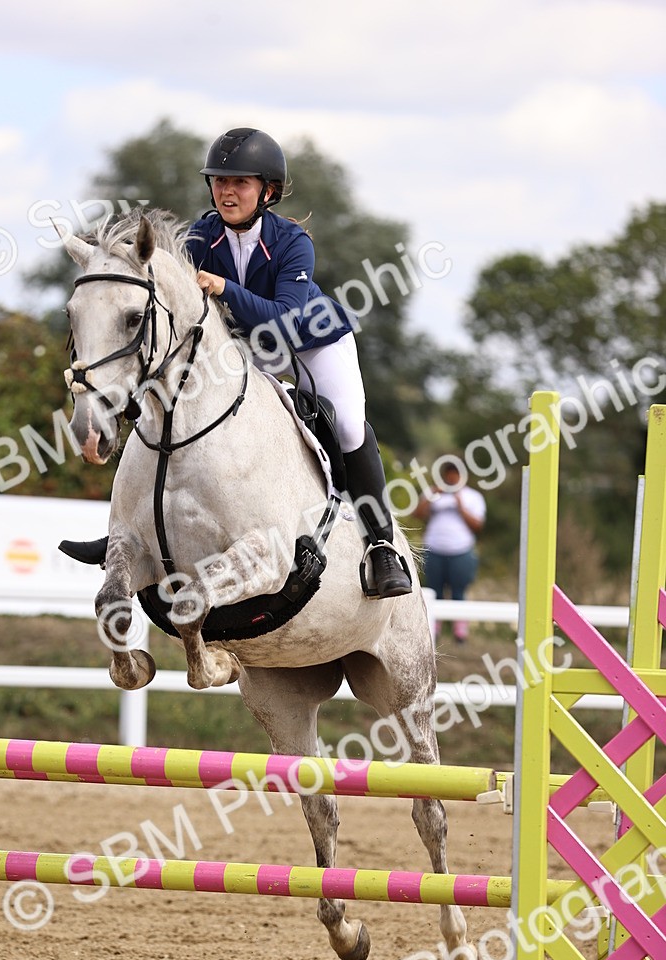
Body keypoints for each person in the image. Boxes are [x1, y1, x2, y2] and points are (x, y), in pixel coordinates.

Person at [62, 126, 412, 599]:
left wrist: (225, 288)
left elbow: (286, 321)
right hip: (245, 345)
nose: (227, 191)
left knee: (348, 425)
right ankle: (128, 534)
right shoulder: (202, 236)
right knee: (173, 398)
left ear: (266, 190)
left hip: (311, 341)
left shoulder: (293, 242)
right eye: (220, 182)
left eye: (240, 183)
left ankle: (381, 545)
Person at [413, 458, 486, 642]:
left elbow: (478, 525)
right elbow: (417, 514)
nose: (452, 479)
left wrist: (460, 506)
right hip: (434, 549)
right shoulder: (433, 493)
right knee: (433, 590)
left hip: (461, 551)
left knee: (458, 592)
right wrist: (431, 496)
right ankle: (432, 631)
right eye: (449, 476)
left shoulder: (473, 497)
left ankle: (459, 633)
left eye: (456, 476)